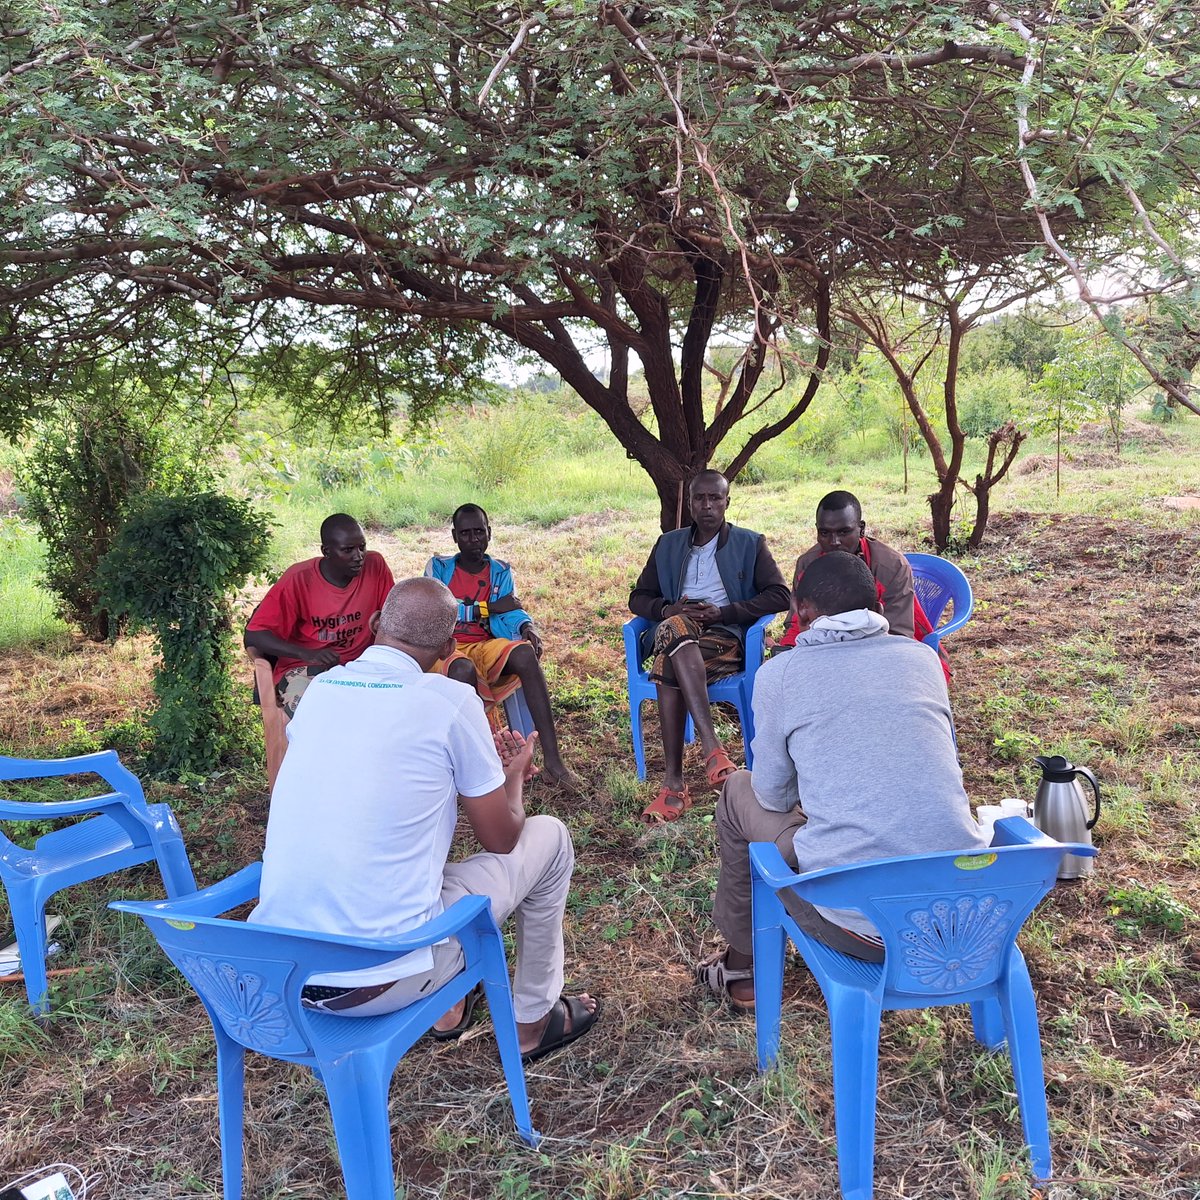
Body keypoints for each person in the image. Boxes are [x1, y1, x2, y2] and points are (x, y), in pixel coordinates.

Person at [251, 577, 601, 1061]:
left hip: (285, 974)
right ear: (449, 647)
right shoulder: (450, 701)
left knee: (398, 864)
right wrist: (512, 780)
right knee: (551, 838)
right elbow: (501, 839)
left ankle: (451, 1005)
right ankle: (533, 1023)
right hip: (381, 979)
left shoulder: (320, 690)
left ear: (376, 623)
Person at [696, 551, 987, 1012]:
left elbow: (771, 794)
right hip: (961, 918)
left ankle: (743, 966)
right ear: (878, 606)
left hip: (860, 928)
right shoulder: (922, 659)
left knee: (737, 791)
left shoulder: (780, 675)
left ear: (801, 611)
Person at [628, 470, 790, 823]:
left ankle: (674, 786)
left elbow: (780, 595)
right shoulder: (668, 545)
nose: (707, 505)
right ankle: (712, 748)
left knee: (666, 666)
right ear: (689, 504)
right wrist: (668, 609)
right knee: (675, 627)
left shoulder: (749, 543)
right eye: (699, 498)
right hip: (676, 628)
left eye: (715, 498)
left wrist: (725, 612)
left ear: (726, 502)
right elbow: (637, 598)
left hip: (723, 637)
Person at [425, 504, 574, 784]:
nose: (473, 540)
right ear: (454, 537)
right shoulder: (439, 568)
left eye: (479, 532)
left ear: (489, 533)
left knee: (525, 655)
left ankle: (554, 763)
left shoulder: (500, 571)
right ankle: (485, 766)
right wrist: (487, 608)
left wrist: (527, 626)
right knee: (463, 670)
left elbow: (511, 609)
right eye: (465, 534)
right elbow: (438, 609)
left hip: (485, 645)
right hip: (446, 649)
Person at [245, 513, 395, 717]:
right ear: (326, 551)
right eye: (348, 550)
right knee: (314, 716)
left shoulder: (375, 565)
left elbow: (392, 617)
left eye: (362, 547)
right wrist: (307, 654)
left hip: (361, 667)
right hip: (306, 670)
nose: (359, 556)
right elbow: (255, 635)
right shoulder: (298, 579)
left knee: (392, 711)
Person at [776, 490, 916, 647]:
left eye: (843, 532)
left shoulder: (892, 567)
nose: (834, 542)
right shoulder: (807, 564)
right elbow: (796, 623)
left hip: (877, 648)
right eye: (825, 533)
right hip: (819, 648)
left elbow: (898, 634)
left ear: (861, 529)